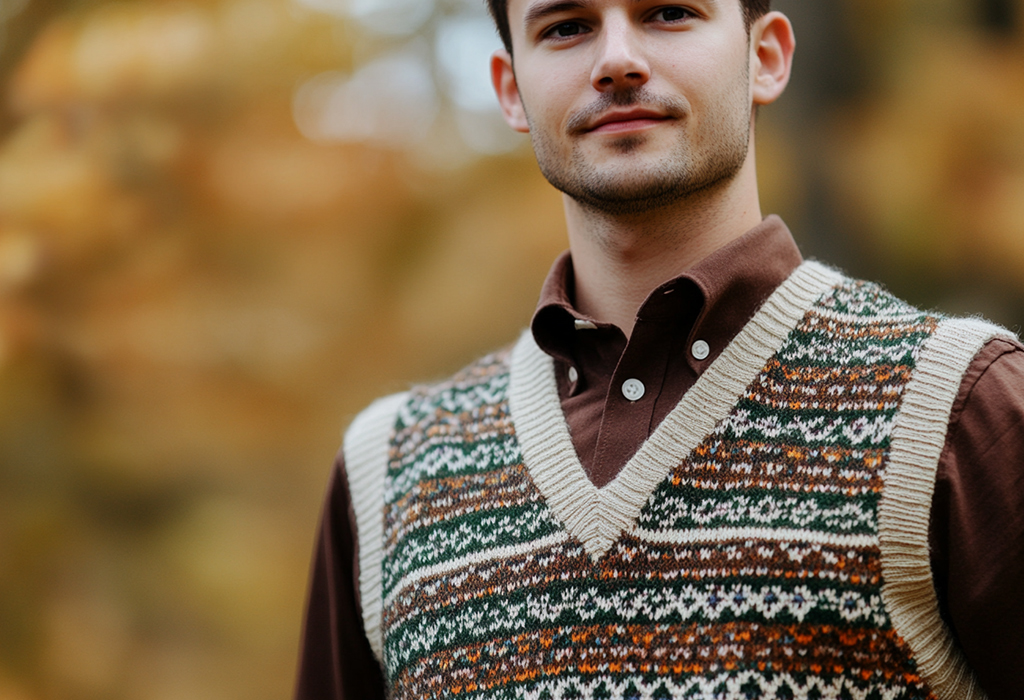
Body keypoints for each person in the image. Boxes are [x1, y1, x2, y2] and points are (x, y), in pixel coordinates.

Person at [294, 0, 1024, 698]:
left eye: (670, 13)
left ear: (766, 57)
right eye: (566, 26)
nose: (617, 61)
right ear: (511, 89)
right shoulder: (388, 471)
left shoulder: (958, 408)